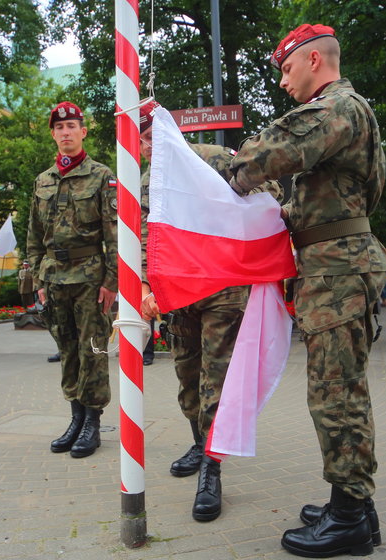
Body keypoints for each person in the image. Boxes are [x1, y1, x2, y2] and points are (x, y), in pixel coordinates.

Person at [228, 23, 386, 558]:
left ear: (315, 61)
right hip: (333, 268)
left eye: (285, 68)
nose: (282, 81)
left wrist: (224, 173)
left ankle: (349, 518)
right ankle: (354, 506)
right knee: (340, 389)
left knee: (336, 394)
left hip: (337, 273)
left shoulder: (337, 109)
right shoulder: (345, 114)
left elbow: (266, 155)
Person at [139, 99, 281, 522]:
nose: (148, 146)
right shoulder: (147, 181)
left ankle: (212, 471)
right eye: (141, 140)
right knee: (187, 376)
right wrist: (146, 283)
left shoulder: (212, 159)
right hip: (179, 294)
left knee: (215, 379)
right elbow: (146, 236)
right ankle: (200, 443)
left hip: (223, 289)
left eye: (151, 136)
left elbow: (267, 196)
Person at [26, 101, 118, 459]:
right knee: (66, 349)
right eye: (59, 128)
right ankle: (75, 417)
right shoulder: (43, 181)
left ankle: (93, 422)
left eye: (72, 127)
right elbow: (33, 235)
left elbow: (114, 233)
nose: (66, 133)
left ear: (83, 132)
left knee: (92, 349)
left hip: (91, 278)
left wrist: (112, 281)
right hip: (54, 278)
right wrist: (38, 278)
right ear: (53, 134)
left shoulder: (101, 176)